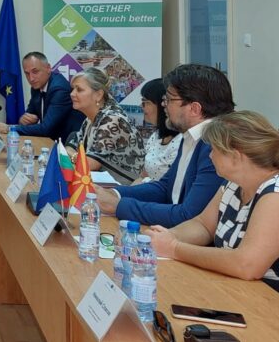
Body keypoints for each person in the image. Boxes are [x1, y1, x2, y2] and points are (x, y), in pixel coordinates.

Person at [148, 111, 279, 314]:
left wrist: (174, 248)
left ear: (235, 156)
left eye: (214, 150)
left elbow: (246, 264)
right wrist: (165, 236)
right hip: (245, 298)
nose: (210, 156)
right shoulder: (234, 184)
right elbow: (203, 225)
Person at [94, 64, 235, 227]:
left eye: (169, 99)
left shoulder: (215, 146)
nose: (163, 105)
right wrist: (115, 194)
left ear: (194, 109)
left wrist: (119, 206)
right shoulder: (191, 135)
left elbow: (188, 215)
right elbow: (166, 187)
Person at [64, 68, 145, 181]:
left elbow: (89, 164)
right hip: (102, 181)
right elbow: (71, 145)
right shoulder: (92, 117)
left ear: (98, 95)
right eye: (73, 89)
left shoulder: (112, 119)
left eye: (79, 90)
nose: (72, 94)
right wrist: (75, 155)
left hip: (125, 185)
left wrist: (72, 156)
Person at [0, 52, 84, 142]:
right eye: (27, 73)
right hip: (48, 141)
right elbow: (30, 114)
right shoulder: (37, 86)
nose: (31, 78)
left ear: (48, 68)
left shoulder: (59, 89)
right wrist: (23, 120)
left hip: (67, 145)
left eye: (35, 71)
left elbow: (46, 129)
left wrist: (9, 128)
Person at [138, 79, 181, 180]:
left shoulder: (180, 142)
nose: (141, 107)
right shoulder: (156, 136)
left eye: (145, 102)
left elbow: (170, 185)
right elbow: (143, 176)